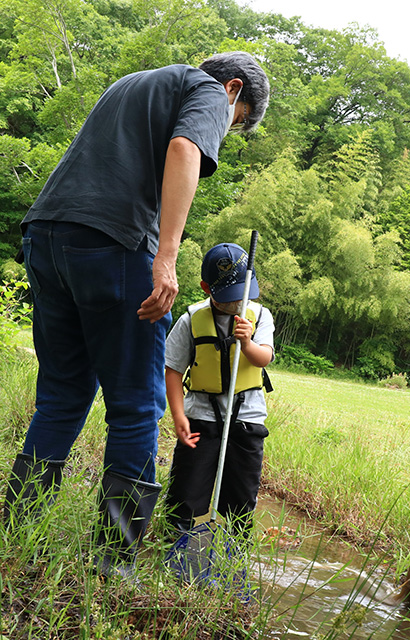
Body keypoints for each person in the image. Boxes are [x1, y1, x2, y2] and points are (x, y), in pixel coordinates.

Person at [2, 52, 270, 579]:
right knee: (135, 404)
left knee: (61, 395)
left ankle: (15, 534)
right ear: (234, 90)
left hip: (47, 235)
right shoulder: (211, 91)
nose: (226, 127)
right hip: (114, 246)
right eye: (235, 124)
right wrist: (166, 255)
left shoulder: (135, 82)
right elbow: (184, 148)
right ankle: (113, 559)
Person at [164, 242, 274, 540]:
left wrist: (248, 343)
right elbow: (172, 370)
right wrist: (178, 416)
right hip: (201, 416)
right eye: (228, 297)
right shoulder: (191, 320)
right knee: (186, 490)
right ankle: (174, 544)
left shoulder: (259, 317)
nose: (237, 303)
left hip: (247, 419)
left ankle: (234, 552)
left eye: (242, 295)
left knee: (242, 494)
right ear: (206, 288)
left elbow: (264, 358)